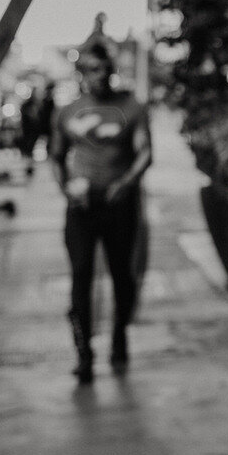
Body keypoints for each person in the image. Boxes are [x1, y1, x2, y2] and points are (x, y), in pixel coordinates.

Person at [51, 43, 151, 384]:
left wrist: (126, 183)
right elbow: (55, 156)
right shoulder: (67, 112)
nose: (100, 76)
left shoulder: (132, 107)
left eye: (104, 69)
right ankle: (84, 354)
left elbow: (145, 152)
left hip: (119, 206)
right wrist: (65, 188)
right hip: (82, 208)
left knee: (122, 275)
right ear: (82, 75)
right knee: (81, 275)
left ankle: (119, 333)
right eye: (92, 70)